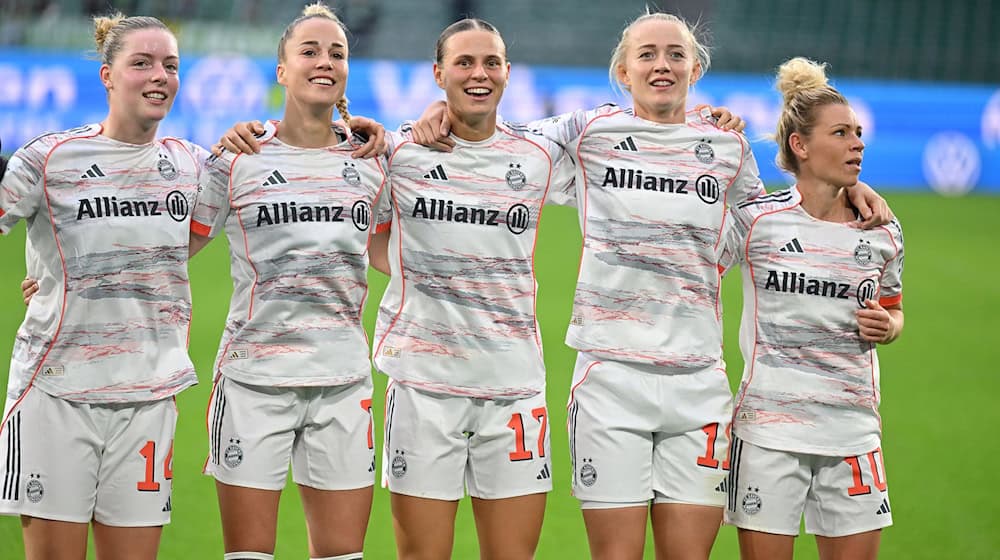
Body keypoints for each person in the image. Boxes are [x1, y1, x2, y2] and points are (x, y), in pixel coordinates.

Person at [408, 11, 893, 560]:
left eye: (675, 54)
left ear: (694, 68)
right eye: (647, 54)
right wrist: (441, 109)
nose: (661, 64)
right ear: (623, 69)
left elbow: (762, 226)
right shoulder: (587, 133)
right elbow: (493, 135)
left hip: (698, 384)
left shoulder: (728, 149)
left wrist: (852, 189)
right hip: (610, 378)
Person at [0, 14, 204, 560]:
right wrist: (52, 281)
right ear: (107, 76)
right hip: (57, 393)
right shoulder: (47, 159)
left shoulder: (193, 165)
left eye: (170, 65)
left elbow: (296, 164)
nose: (158, 75)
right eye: (141, 63)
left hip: (148, 398)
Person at [189, 4, 389, 560]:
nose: (324, 62)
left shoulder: (374, 159)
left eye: (337, 53)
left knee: (342, 558)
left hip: (344, 382)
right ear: (281, 70)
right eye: (309, 52)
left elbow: (395, 254)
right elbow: (175, 245)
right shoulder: (237, 159)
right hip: (254, 382)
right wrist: (62, 275)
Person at [718, 57, 904, 560]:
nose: (857, 143)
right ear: (800, 146)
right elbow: (695, 255)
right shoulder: (759, 222)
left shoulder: (882, 230)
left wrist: (889, 326)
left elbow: (894, 309)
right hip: (767, 432)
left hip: (853, 432)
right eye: (841, 133)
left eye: (858, 132)